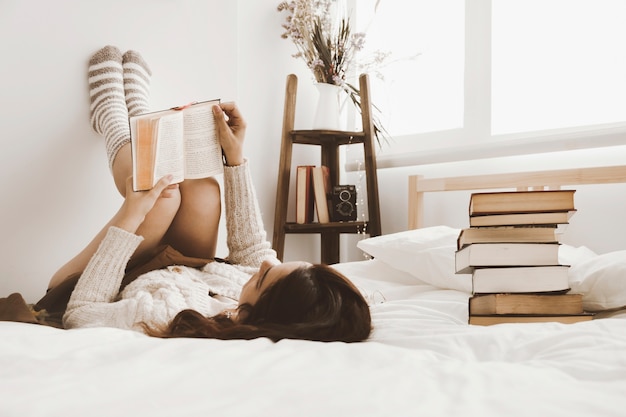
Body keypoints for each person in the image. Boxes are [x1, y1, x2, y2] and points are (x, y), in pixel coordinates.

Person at [51, 45, 371, 342]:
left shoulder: (167, 316)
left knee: (163, 197)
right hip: (171, 261)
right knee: (204, 189)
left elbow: (82, 316)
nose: (263, 264)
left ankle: (110, 116)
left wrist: (130, 213)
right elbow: (252, 249)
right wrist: (235, 157)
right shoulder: (264, 293)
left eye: (264, 277)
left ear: (256, 315)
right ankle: (140, 114)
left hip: (95, 282)